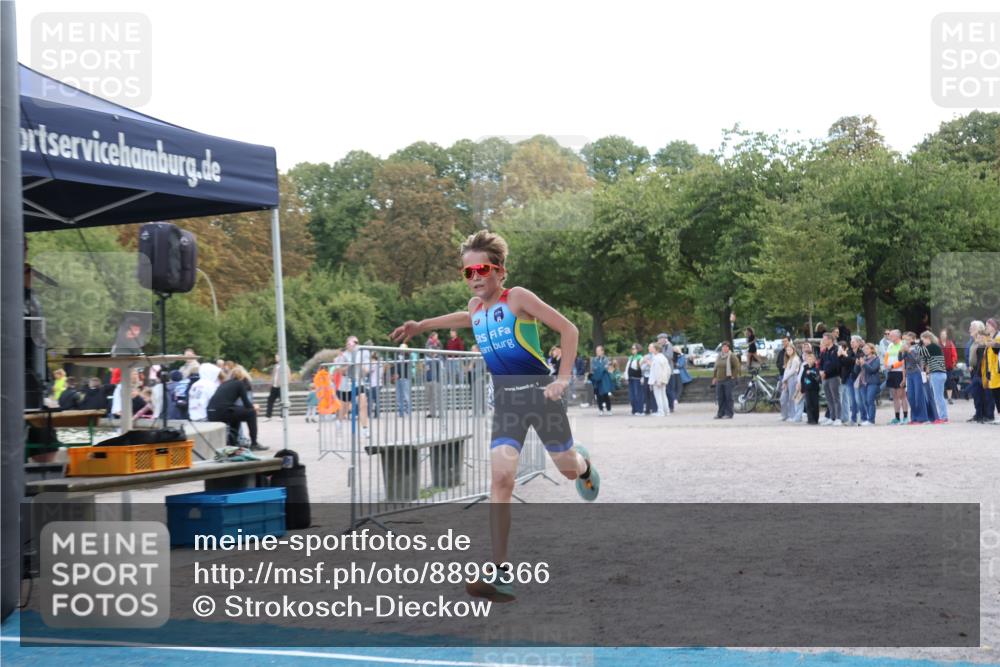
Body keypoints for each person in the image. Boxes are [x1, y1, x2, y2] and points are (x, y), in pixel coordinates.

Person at [390, 229, 600, 603]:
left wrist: (563, 378)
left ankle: (583, 465)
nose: (475, 278)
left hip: (541, 395)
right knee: (502, 478)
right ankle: (500, 570)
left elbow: (569, 329)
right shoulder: (475, 310)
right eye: (467, 273)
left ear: (500, 271)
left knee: (567, 467)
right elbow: (462, 316)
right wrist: (420, 325)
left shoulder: (517, 298)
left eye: (482, 270)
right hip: (507, 402)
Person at [207, 366, 268, 451]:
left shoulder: (225, 383)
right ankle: (254, 443)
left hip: (212, 412)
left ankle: (234, 442)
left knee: (236, 414)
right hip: (222, 411)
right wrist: (255, 407)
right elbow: (247, 404)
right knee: (251, 412)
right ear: (243, 376)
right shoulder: (239, 383)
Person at [899, 333, 929, 424]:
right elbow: (900, 359)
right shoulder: (905, 349)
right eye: (903, 340)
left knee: (918, 396)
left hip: (916, 372)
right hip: (909, 374)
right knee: (911, 396)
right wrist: (901, 351)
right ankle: (914, 417)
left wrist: (908, 351)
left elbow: (916, 360)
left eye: (907, 339)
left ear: (911, 339)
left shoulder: (917, 348)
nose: (905, 341)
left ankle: (923, 418)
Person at [921, 331, 948, 424]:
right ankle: (940, 415)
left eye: (923, 340)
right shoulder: (935, 347)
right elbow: (924, 360)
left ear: (928, 338)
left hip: (937, 374)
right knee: (938, 396)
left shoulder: (931, 347)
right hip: (939, 374)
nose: (922, 342)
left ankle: (943, 416)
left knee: (938, 397)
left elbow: (919, 352)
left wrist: (915, 344)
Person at [883, 330, 909, 424]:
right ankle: (897, 418)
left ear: (898, 336)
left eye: (891, 335)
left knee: (902, 395)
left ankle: (905, 417)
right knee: (894, 396)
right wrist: (886, 365)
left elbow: (903, 360)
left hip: (899, 372)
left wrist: (892, 366)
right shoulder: (890, 345)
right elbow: (886, 356)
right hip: (891, 372)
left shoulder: (903, 345)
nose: (889, 337)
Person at [818, 334, 843, 426]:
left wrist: (825, 372)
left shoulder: (836, 350)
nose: (823, 341)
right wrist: (821, 371)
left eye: (824, 339)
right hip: (825, 378)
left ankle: (838, 418)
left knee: (836, 398)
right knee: (829, 399)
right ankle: (832, 417)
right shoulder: (825, 351)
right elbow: (821, 362)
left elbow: (835, 364)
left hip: (833, 377)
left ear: (830, 340)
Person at [711, 341, 740, 419]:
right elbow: (716, 367)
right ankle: (720, 413)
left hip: (728, 380)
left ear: (728, 348)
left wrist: (733, 376)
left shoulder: (732, 356)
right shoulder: (719, 356)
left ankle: (729, 413)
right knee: (720, 397)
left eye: (726, 347)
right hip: (719, 380)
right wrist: (714, 377)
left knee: (728, 397)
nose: (724, 348)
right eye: (723, 347)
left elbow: (737, 366)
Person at [859, 343, 881, 425]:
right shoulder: (863, 359)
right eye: (864, 349)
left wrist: (864, 364)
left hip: (872, 383)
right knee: (865, 401)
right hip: (863, 383)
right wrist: (857, 364)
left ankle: (871, 420)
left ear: (872, 350)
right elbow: (856, 371)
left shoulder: (876, 359)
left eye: (867, 348)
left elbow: (873, 370)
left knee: (870, 401)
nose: (865, 350)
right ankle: (868, 419)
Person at [779, 341, 801, 422]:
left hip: (793, 379)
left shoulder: (795, 359)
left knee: (791, 398)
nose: (788, 351)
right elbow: (786, 371)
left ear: (793, 350)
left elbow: (792, 371)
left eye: (790, 350)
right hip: (787, 379)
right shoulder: (789, 359)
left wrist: (785, 379)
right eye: (787, 350)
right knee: (783, 398)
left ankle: (792, 415)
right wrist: (784, 381)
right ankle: (784, 415)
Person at [590, 346, 614, 415]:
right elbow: (593, 368)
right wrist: (601, 368)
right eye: (596, 351)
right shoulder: (594, 359)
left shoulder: (606, 359)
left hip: (604, 379)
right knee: (598, 395)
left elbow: (607, 368)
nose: (597, 352)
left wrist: (600, 368)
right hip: (597, 379)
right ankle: (600, 409)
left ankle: (609, 409)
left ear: (602, 351)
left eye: (599, 351)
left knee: (605, 394)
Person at [649, 342, 671, 416]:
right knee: (663, 395)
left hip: (658, 380)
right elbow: (668, 370)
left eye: (653, 348)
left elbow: (658, 371)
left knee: (658, 396)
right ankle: (666, 411)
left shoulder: (657, 358)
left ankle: (661, 411)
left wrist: (658, 381)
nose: (651, 349)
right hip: (663, 379)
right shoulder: (663, 357)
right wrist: (665, 379)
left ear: (656, 350)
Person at [393, 343, 414, 417]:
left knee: (406, 395)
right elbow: (395, 366)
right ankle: (401, 412)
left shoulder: (408, 356)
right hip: (398, 378)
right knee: (399, 396)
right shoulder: (397, 356)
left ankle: (409, 410)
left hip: (405, 377)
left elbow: (407, 366)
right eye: (401, 349)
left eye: (403, 349)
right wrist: (395, 373)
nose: (401, 350)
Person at [801, 352, 822, 425]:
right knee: (808, 404)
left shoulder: (816, 369)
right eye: (808, 358)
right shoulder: (805, 368)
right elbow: (802, 379)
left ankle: (816, 419)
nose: (809, 360)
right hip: (807, 389)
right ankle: (810, 419)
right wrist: (802, 389)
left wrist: (811, 373)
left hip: (814, 389)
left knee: (815, 404)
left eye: (811, 358)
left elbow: (818, 378)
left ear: (814, 360)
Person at [625, 344, 645, 416]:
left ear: (638, 349)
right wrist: (626, 377)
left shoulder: (640, 358)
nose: (632, 350)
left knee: (638, 395)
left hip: (637, 379)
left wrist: (642, 377)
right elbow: (627, 368)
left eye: (634, 348)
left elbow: (643, 369)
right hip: (631, 379)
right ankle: (634, 410)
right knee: (632, 395)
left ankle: (640, 410)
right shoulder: (630, 358)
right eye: (632, 348)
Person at [940, 328, 958, 405]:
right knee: (940, 382)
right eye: (942, 334)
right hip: (939, 367)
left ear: (947, 335)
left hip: (949, 367)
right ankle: (940, 397)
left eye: (945, 334)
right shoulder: (937, 343)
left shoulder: (950, 343)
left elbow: (954, 354)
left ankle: (949, 398)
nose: (943, 336)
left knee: (949, 382)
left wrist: (954, 362)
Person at [265, 354, 284, 421]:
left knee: (282, 401)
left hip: (281, 386)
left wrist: (284, 385)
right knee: (270, 400)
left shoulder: (284, 366)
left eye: (277, 357)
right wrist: (271, 383)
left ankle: (282, 416)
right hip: (274, 386)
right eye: (275, 357)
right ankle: (268, 416)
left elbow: (288, 376)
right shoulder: (275, 366)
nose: (275, 358)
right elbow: (274, 375)